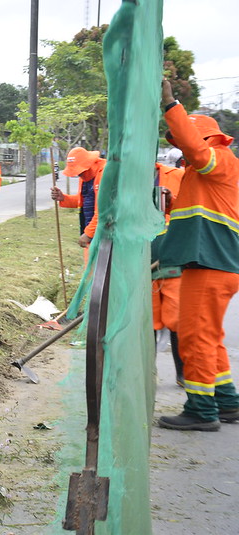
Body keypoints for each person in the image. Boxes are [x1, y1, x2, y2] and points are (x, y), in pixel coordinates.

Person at [157, 79, 239, 431]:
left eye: (182, 142)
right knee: (209, 336)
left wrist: (171, 105)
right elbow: (198, 212)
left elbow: (196, 151)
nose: (179, 150)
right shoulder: (202, 175)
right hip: (210, 263)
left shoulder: (218, 158)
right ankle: (228, 403)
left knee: (194, 336)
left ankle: (201, 410)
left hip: (210, 264)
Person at [151, 155, 184, 387]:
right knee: (149, 322)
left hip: (173, 260)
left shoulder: (176, 176)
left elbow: (190, 211)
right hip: (143, 261)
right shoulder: (124, 180)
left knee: (177, 321)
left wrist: (173, 201)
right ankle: (146, 373)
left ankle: (183, 374)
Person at [50, 147, 106, 263]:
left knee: (100, 273)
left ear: (89, 164)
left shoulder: (104, 173)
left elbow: (103, 210)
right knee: (90, 271)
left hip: (105, 235)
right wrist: (63, 198)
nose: (79, 175)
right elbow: (84, 202)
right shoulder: (85, 177)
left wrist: (89, 233)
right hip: (91, 234)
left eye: (80, 172)